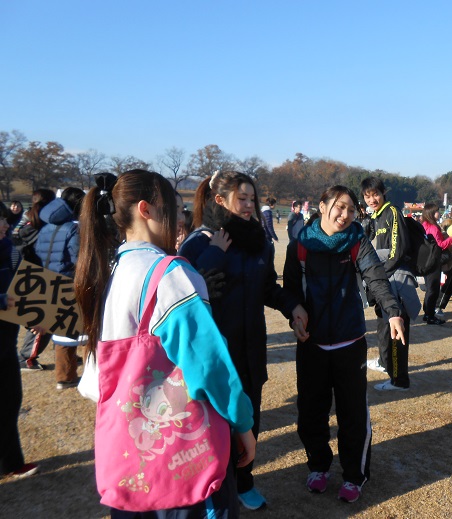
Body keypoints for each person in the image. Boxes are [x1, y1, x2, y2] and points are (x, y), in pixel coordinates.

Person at [74, 170, 256, 518]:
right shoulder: (171, 275)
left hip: (132, 466)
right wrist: (243, 423)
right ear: (147, 209)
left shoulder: (111, 270)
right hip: (184, 467)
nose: (182, 218)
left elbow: (96, 380)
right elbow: (209, 367)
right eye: (174, 208)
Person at [178, 172, 307, 511]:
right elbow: (187, 296)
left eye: (253, 198)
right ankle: (214, 487)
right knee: (214, 426)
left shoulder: (260, 243)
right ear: (220, 201)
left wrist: (292, 305)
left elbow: (267, 287)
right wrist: (214, 255)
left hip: (252, 350)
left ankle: (245, 480)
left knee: (249, 418)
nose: (250, 205)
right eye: (242, 198)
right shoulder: (199, 243)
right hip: (215, 356)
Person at [283, 185, 406, 503]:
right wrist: (294, 313)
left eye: (351, 209)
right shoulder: (299, 246)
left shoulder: (357, 240)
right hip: (312, 343)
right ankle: (318, 467)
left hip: (350, 342)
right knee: (311, 411)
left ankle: (354, 475)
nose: (345, 214)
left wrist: (392, 312)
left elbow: (376, 278)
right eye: (339, 207)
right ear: (322, 206)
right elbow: (292, 290)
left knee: (353, 413)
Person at [16, 187, 84, 381]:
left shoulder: (45, 226)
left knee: (52, 328)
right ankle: (60, 373)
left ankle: (64, 376)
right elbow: (76, 257)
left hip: (45, 277)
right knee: (63, 331)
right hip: (65, 280)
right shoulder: (72, 228)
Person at [361, 177, 419, 391]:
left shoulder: (391, 212)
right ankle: (386, 364)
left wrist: (378, 274)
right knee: (383, 325)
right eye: (367, 196)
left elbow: (398, 250)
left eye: (375, 194)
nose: (371, 199)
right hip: (385, 280)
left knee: (396, 328)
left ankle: (400, 380)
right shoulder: (375, 216)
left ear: (383, 193)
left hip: (396, 280)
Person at [0, 202, 39, 479]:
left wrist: (34, 316)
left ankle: (11, 463)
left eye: (4, 219)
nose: (5, 225)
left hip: (5, 341)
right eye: (0, 221)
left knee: (10, 400)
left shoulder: (9, 251)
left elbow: (19, 291)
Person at [421, 202, 452, 324]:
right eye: (436, 211)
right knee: (433, 289)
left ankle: (427, 313)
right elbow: (441, 245)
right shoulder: (434, 227)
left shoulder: (424, 225)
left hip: (425, 260)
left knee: (429, 287)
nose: (438, 213)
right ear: (431, 213)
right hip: (434, 260)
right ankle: (430, 315)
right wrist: (451, 238)